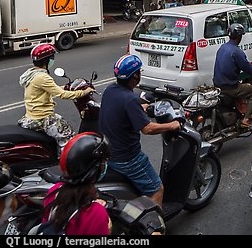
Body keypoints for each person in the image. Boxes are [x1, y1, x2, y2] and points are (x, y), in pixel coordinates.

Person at [99, 54, 181, 208]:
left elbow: (121, 110)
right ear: (135, 76)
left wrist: (141, 108)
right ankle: (154, 227)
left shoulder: (110, 90)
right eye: (138, 72)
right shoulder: (130, 100)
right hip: (128, 159)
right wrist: (172, 125)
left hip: (109, 153)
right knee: (157, 189)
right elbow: (147, 129)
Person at [18, 44, 93, 151]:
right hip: (43, 117)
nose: (53, 60)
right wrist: (84, 92)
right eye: (51, 58)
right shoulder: (43, 77)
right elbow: (62, 95)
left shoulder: (31, 74)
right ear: (47, 60)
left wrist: (67, 87)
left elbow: (50, 89)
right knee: (69, 139)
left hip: (30, 115)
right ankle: (69, 162)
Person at [39, 132, 112, 235]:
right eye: (104, 162)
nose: (105, 165)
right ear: (94, 169)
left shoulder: (54, 191)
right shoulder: (97, 214)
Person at [213, 23, 252, 127]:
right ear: (239, 36)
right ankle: (246, 120)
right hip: (230, 87)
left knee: (243, 85)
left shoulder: (222, 47)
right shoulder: (237, 52)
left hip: (218, 84)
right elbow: (247, 67)